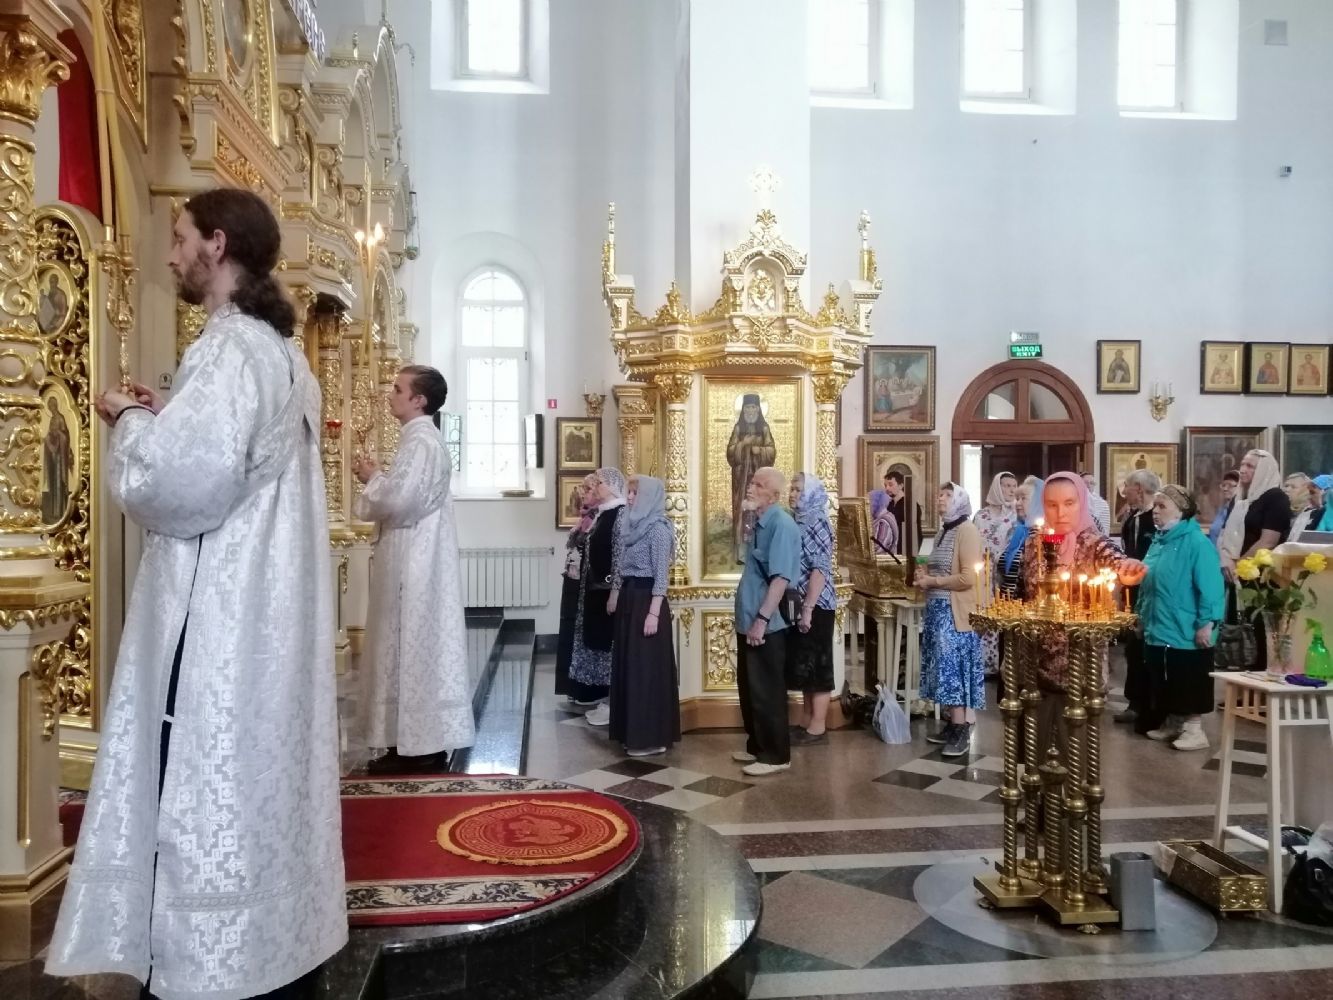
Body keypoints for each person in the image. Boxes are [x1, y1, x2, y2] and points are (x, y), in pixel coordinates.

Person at [49, 189, 344, 997]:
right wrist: (170, 412)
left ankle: (201, 961)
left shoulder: (228, 349)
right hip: (264, 614)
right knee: (254, 792)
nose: (171, 253)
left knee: (196, 787)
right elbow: (226, 454)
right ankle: (268, 946)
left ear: (217, 245)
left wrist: (126, 418)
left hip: (219, 619)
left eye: (180, 238)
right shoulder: (281, 353)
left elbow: (177, 485)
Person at [354, 365, 475, 774]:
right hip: (414, 556)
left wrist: (372, 478)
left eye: (398, 389)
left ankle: (419, 746)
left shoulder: (422, 442)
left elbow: (401, 501)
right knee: (404, 648)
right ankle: (406, 741)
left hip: (414, 562)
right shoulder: (421, 439)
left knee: (409, 647)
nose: (391, 394)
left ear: (419, 400)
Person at [1020, 472, 1146, 759]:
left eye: (1069, 503)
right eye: (1052, 505)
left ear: (1082, 503)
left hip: (1078, 660)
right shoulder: (1034, 543)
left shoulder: (1093, 541)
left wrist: (1126, 569)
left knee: (1074, 748)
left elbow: (1114, 558)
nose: (1060, 512)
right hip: (1036, 660)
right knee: (1036, 748)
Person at [1136, 486, 1224, 751]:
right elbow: (1147, 582)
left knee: (1188, 676)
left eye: (1162, 506)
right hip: (1159, 622)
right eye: (1155, 506)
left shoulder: (1197, 543)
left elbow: (1211, 587)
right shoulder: (1159, 541)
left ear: (1181, 510)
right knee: (1166, 675)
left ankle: (1194, 729)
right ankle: (1174, 722)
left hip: (1186, 625)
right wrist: (1140, 614)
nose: (1155, 511)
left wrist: (1207, 623)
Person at [733, 466, 801, 776]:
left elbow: (780, 578)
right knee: (750, 688)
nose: (751, 488)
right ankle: (757, 747)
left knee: (767, 690)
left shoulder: (782, 525)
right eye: (752, 482)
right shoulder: (759, 522)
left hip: (767, 624)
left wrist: (761, 619)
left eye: (759, 485)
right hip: (750, 619)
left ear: (773, 495)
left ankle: (775, 756)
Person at [607, 475, 680, 756]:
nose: (629, 498)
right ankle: (631, 732)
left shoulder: (658, 529)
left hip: (647, 601)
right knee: (630, 667)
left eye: (635, 493)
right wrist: (617, 594)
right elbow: (621, 567)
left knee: (646, 670)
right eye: (629, 492)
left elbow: (661, 576)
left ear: (649, 497)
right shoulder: (631, 527)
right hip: (631, 598)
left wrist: (653, 613)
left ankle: (650, 737)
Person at [916, 483, 984, 758]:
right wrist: (924, 575)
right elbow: (940, 567)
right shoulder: (943, 530)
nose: (940, 498)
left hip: (955, 614)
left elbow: (969, 577)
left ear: (959, 500)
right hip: (937, 610)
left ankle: (961, 730)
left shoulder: (967, 530)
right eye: (939, 494)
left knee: (952, 670)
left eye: (947, 495)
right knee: (940, 670)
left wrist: (933, 581)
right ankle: (951, 725)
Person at [786, 473, 837, 745]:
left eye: (798, 490)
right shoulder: (798, 520)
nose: (792, 493)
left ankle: (818, 726)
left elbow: (819, 569)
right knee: (805, 664)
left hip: (817, 604)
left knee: (818, 666)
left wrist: (808, 608)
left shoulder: (818, 521)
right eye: (792, 489)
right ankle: (806, 720)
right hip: (802, 602)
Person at [574, 468, 627, 721]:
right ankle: (605, 698)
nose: (597, 487)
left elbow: (618, 556)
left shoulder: (620, 513)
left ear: (614, 486)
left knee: (609, 644)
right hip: (596, 590)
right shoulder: (604, 513)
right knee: (599, 642)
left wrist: (615, 591)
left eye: (602, 483)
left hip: (607, 591)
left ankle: (613, 701)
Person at [1114, 468, 1161, 731]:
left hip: (1150, 589)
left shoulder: (1156, 518)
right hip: (1132, 588)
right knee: (1132, 647)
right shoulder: (1132, 517)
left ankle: (1151, 705)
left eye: (1128, 486)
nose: (1125, 492)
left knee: (1146, 647)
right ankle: (1134, 702)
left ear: (1139, 489)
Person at [557, 473, 598, 699]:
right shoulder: (584, 518)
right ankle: (570, 686)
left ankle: (583, 690)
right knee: (569, 631)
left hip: (584, 584)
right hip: (572, 581)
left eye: (589, 489)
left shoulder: (597, 518)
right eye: (583, 488)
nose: (583, 493)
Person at [973, 472, 1018, 676]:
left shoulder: (1015, 515)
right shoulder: (980, 515)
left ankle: (1003, 665)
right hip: (982, 574)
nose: (1011, 490)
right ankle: (983, 664)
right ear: (997, 487)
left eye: (1014, 486)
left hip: (1003, 573)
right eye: (1006, 485)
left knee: (1003, 616)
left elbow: (1015, 544)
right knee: (984, 615)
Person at [726, 394, 776, 561]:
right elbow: (730, 453)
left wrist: (759, 450)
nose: (750, 410)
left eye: (753, 407)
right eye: (747, 407)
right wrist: (743, 444)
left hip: (759, 481)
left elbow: (771, 451)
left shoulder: (764, 428)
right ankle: (741, 554)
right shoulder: (738, 428)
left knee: (758, 512)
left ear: (758, 409)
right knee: (742, 512)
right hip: (741, 481)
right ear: (743, 409)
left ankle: (759, 550)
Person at [41, 395, 72, 523]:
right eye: (49, 406)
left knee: (59, 482)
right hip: (53, 456)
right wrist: (47, 437)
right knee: (53, 482)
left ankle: (60, 511)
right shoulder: (52, 419)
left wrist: (58, 433)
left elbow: (65, 435)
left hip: (60, 456)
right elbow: (51, 433)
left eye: (52, 406)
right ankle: (53, 512)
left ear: (55, 406)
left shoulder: (60, 418)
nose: (51, 408)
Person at [884, 468, 924, 554]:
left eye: (890, 485)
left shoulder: (911, 505)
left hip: (904, 553)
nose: (887, 488)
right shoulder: (888, 505)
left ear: (901, 485)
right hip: (889, 552)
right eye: (885, 485)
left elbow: (916, 535)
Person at [1209, 470, 1240, 547]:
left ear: (1240, 486)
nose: (1225, 489)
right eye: (1223, 485)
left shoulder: (1242, 511)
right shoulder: (1222, 510)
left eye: (1230, 485)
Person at [1285, 472, 1316, 542]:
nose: (1287, 490)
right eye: (1286, 486)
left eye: (1293, 487)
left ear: (1306, 491)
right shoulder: (1282, 511)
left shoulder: (1311, 514)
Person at [869, 488, 898, 555]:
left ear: (875, 503)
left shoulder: (884, 521)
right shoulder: (885, 516)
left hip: (884, 560)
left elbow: (879, 548)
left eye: (869, 504)